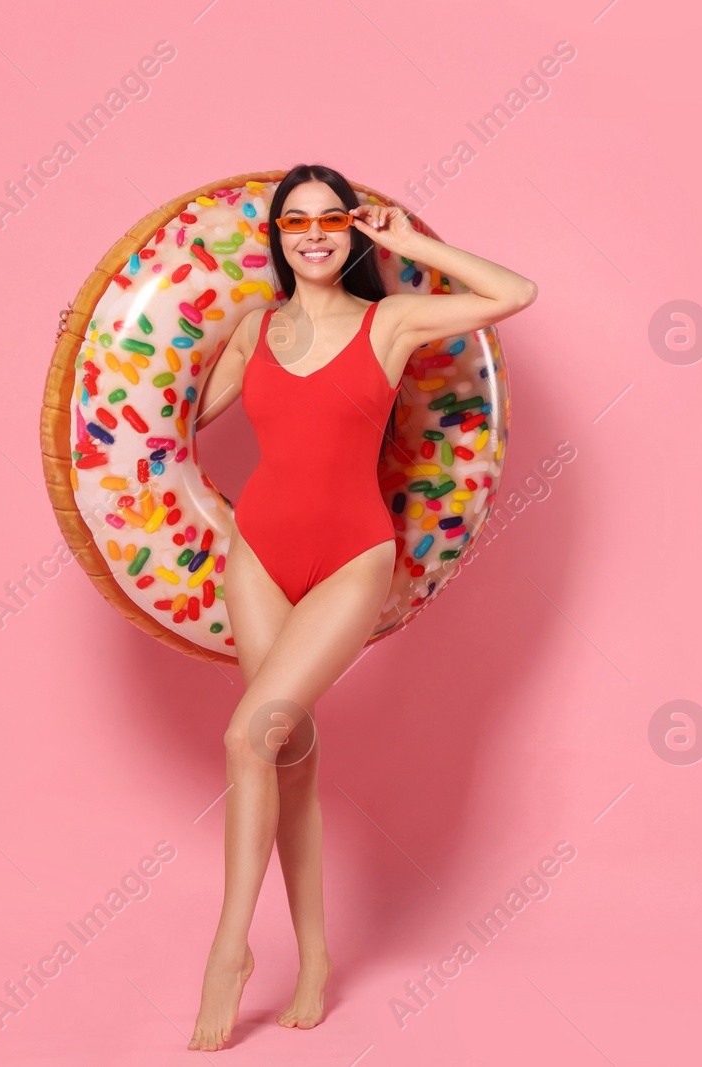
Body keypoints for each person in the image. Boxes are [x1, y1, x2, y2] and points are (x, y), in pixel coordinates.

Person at [186, 163, 536, 1051]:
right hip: (257, 552)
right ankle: (311, 959)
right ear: (276, 236)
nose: (313, 234)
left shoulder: (392, 321)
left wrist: (405, 240)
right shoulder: (254, 329)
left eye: (330, 220)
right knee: (286, 750)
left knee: (244, 733)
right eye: (295, 221)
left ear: (350, 231)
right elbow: (169, 423)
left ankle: (229, 948)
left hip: (352, 557)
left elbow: (515, 291)